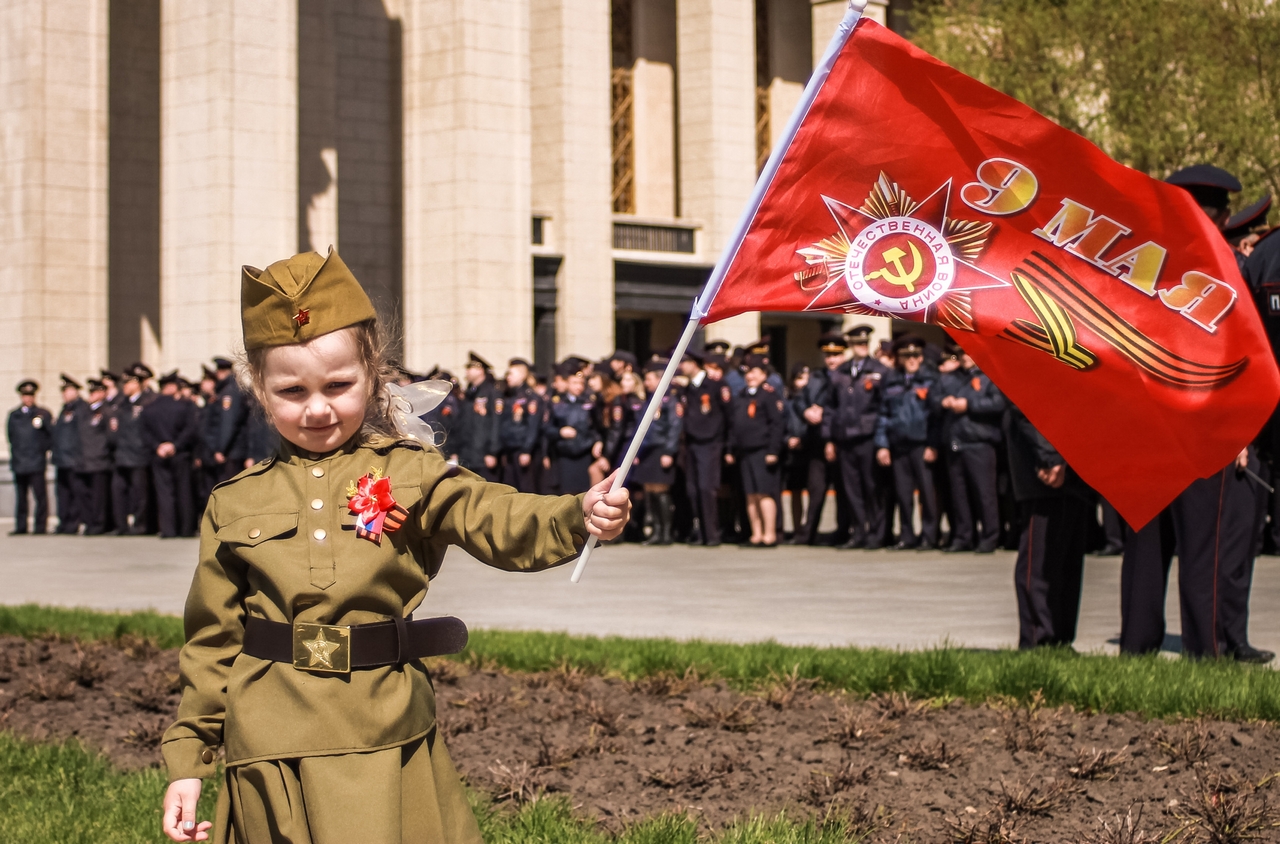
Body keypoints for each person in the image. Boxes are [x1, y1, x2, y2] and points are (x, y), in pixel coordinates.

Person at [159, 248, 629, 843]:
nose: (318, 408)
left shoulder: (410, 472)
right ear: (259, 388)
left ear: (374, 373)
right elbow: (212, 643)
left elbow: (493, 515)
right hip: (272, 745)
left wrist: (576, 514)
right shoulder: (235, 501)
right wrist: (189, 763)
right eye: (292, 391)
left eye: (338, 384)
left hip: (388, 732)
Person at [1116, 164, 1274, 663]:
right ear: (1223, 215)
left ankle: (1136, 648)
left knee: (1144, 549)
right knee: (1202, 549)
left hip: (1142, 425)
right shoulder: (1225, 266)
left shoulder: (1134, 260)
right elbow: (1240, 354)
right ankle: (1206, 654)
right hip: (1203, 426)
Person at [1006, 404, 1094, 649]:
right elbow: (1022, 401)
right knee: (1040, 561)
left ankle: (1061, 639)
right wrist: (1050, 455)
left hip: (1074, 462)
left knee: (1068, 560)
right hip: (1044, 465)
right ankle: (1038, 640)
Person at [935, 347, 1006, 553]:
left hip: (980, 443)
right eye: (963, 354)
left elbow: (998, 403)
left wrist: (969, 404)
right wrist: (944, 401)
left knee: (984, 494)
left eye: (970, 353)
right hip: (957, 442)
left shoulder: (990, 376)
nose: (966, 357)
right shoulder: (956, 378)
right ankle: (964, 536)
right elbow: (934, 397)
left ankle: (990, 536)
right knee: (960, 495)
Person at [824, 327, 888, 549]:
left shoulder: (879, 370)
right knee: (851, 489)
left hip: (867, 437)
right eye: (857, 343)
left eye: (864, 343)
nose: (862, 346)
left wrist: (882, 441)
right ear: (850, 345)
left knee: (872, 487)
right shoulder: (840, 372)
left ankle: (876, 533)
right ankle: (859, 532)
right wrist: (829, 439)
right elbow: (830, 407)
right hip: (844, 438)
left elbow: (885, 407)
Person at [875, 336, 940, 550]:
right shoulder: (891, 380)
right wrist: (882, 445)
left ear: (921, 358)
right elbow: (883, 415)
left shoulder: (931, 379)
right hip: (899, 445)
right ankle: (907, 535)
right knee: (903, 494)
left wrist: (933, 444)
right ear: (900, 359)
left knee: (927, 493)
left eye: (915, 355)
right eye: (906, 356)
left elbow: (936, 417)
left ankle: (929, 536)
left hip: (921, 444)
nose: (911, 360)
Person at [726, 354, 784, 547]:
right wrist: (730, 448)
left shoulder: (768, 395)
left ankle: (770, 534)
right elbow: (735, 424)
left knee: (764, 493)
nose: (750, 376)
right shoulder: (742, 395)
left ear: (763, 374)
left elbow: (776, 424)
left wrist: (773, 450)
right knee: (750, 494)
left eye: (754, 372)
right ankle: (756, 534)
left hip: (762, 451)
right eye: (748, 372)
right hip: (745, 452)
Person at [680, 351, 730, 546]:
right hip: (692, 443)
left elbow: (727, 416)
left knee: (706, 488)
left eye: (684, 362)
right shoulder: (688, 389)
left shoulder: (715, 385)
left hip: (710, 443)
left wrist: (727, 445)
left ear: (695, 364)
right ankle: (700, 532)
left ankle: (712, 533)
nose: (681, 366)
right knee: (692, 489)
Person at [143, 371, 199, 539]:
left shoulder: (149, 407)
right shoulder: (186, 406)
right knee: (184, 490)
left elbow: (145, 433)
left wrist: (158, 446)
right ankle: (186, 528)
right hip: (180, 453)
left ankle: (168, 529)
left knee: (164, 492)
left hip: (159, 454)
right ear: (173, 387)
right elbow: (191, 429)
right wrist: (175, 445)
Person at [632, 359, 682, 546]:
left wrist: (669, 451)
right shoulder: (650, 398)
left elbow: (674, 427)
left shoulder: (669, 400)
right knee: (649, 491)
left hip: (660, 449)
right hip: (647, 451)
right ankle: (656, 531)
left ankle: (666, 532)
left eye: (649, 379)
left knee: (661, 490)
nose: (646, 383)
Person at [785, 348, 831, 545]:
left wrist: (824, 411)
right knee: (815, 489)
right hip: (816, 444)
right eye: (828, 355)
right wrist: (806, 412)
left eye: (837, 354)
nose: (832, 360)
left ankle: (851, 533)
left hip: (842, 441)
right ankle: (807, 534)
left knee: (849, 493)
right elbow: (800, 403)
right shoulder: (817, 378)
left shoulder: (844, 377)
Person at [110, 364, 158, 534]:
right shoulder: (121, 404)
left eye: (129, 383)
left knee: (140, 494)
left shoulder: (148, 401)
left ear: (137, 384)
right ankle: (121, 525)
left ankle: (140, 525)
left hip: (139, 455)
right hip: (122, 454)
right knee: (118, 491)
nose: (125, 387)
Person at [542, 361, 600, 495]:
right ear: (567, 383)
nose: (578, 387)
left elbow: (596, 427)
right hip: (564, 454)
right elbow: (546, 428)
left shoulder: (590, 402)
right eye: (574, 383)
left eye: (581, 384)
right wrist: (560, 432)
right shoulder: (556, 402)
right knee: (566, 494)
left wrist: (597, 441)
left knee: (583, 494)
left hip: (584, 453)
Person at [7, 380, 52, 534]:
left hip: (36, 461)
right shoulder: (14, 415)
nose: (28, 399)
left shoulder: (42, 414)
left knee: (40, 496)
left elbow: (49, 436)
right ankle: (21, 526)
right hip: (20, 462)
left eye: (30, 395)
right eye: (25, 395)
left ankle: (40, 527)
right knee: (21, 497)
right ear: (21, 397)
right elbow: (11, 437)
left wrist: (40, 451)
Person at [494, 358, 540, 493]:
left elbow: (532, 427)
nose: (507, 377)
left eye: (511, 374)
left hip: (521, 450)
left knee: (525, 488)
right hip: (509, 449)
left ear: (522, 375)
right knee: (510, 488)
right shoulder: (508, 396)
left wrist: (526, 450)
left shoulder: (530, 398)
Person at [77, 378, 114, 535]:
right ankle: (89, 522)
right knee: (84, 494)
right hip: (83, 460)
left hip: (99, 460)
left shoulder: (107, 412)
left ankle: (99, 524)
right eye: (90, 392)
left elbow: (111, 437)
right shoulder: (84, 411)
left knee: (99, 497)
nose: (91, 395)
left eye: (95, 392)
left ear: (102, 393)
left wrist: (103, 453)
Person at [51, 374, 86, 534]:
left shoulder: (82, 408)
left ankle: (73, 522)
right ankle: (63, 522)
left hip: (74, 459)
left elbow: (82, 436)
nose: (64, 394)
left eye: (67, 390)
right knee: (62, 494)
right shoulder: (64, 409)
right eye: (63, 391)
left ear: (75, 391)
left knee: (75, 493)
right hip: (61, 459)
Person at [457, 352, 499, 481]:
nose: (466, 372)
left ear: (480, 370)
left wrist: (492, 452)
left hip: (483, 456)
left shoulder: (491, 392)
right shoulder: (470, 394)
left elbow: (495, 424)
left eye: (470, 368)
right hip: (468, 455)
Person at [210, 357, 249, 485]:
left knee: (230, 487)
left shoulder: (229, 392)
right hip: (233, 449)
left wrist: (222, 449)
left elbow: (228, 423)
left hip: (232, 451)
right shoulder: (231, 389)